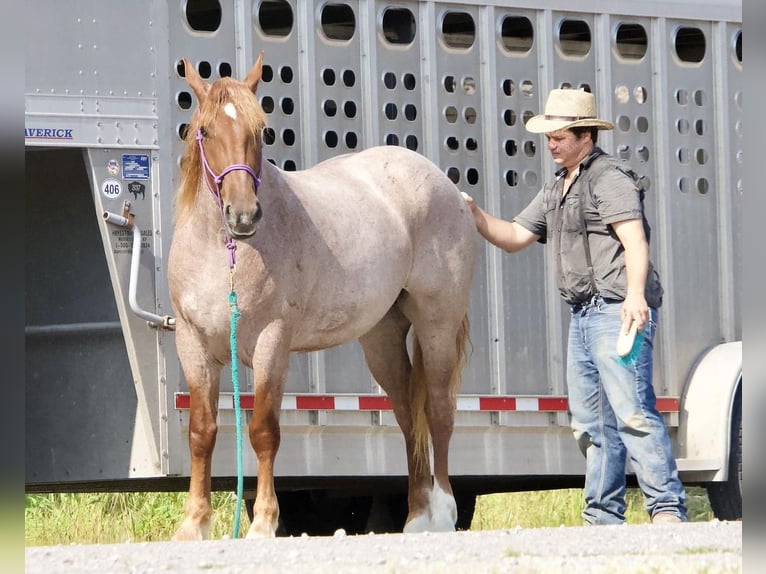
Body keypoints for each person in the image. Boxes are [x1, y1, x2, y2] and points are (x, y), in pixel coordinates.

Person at [464, 88, 688, 525]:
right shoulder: (557, 185)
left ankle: (666, 510)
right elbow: (514, 237)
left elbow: (634, 241)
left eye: (559, 136)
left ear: (586, 135)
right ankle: (603, 517)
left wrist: (635, 298)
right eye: (548, 136)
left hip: (616, 311)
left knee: (633, 413)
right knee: (591, 424)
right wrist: (470, 212)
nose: (551, 144)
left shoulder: (610, 178)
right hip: (583, 315)